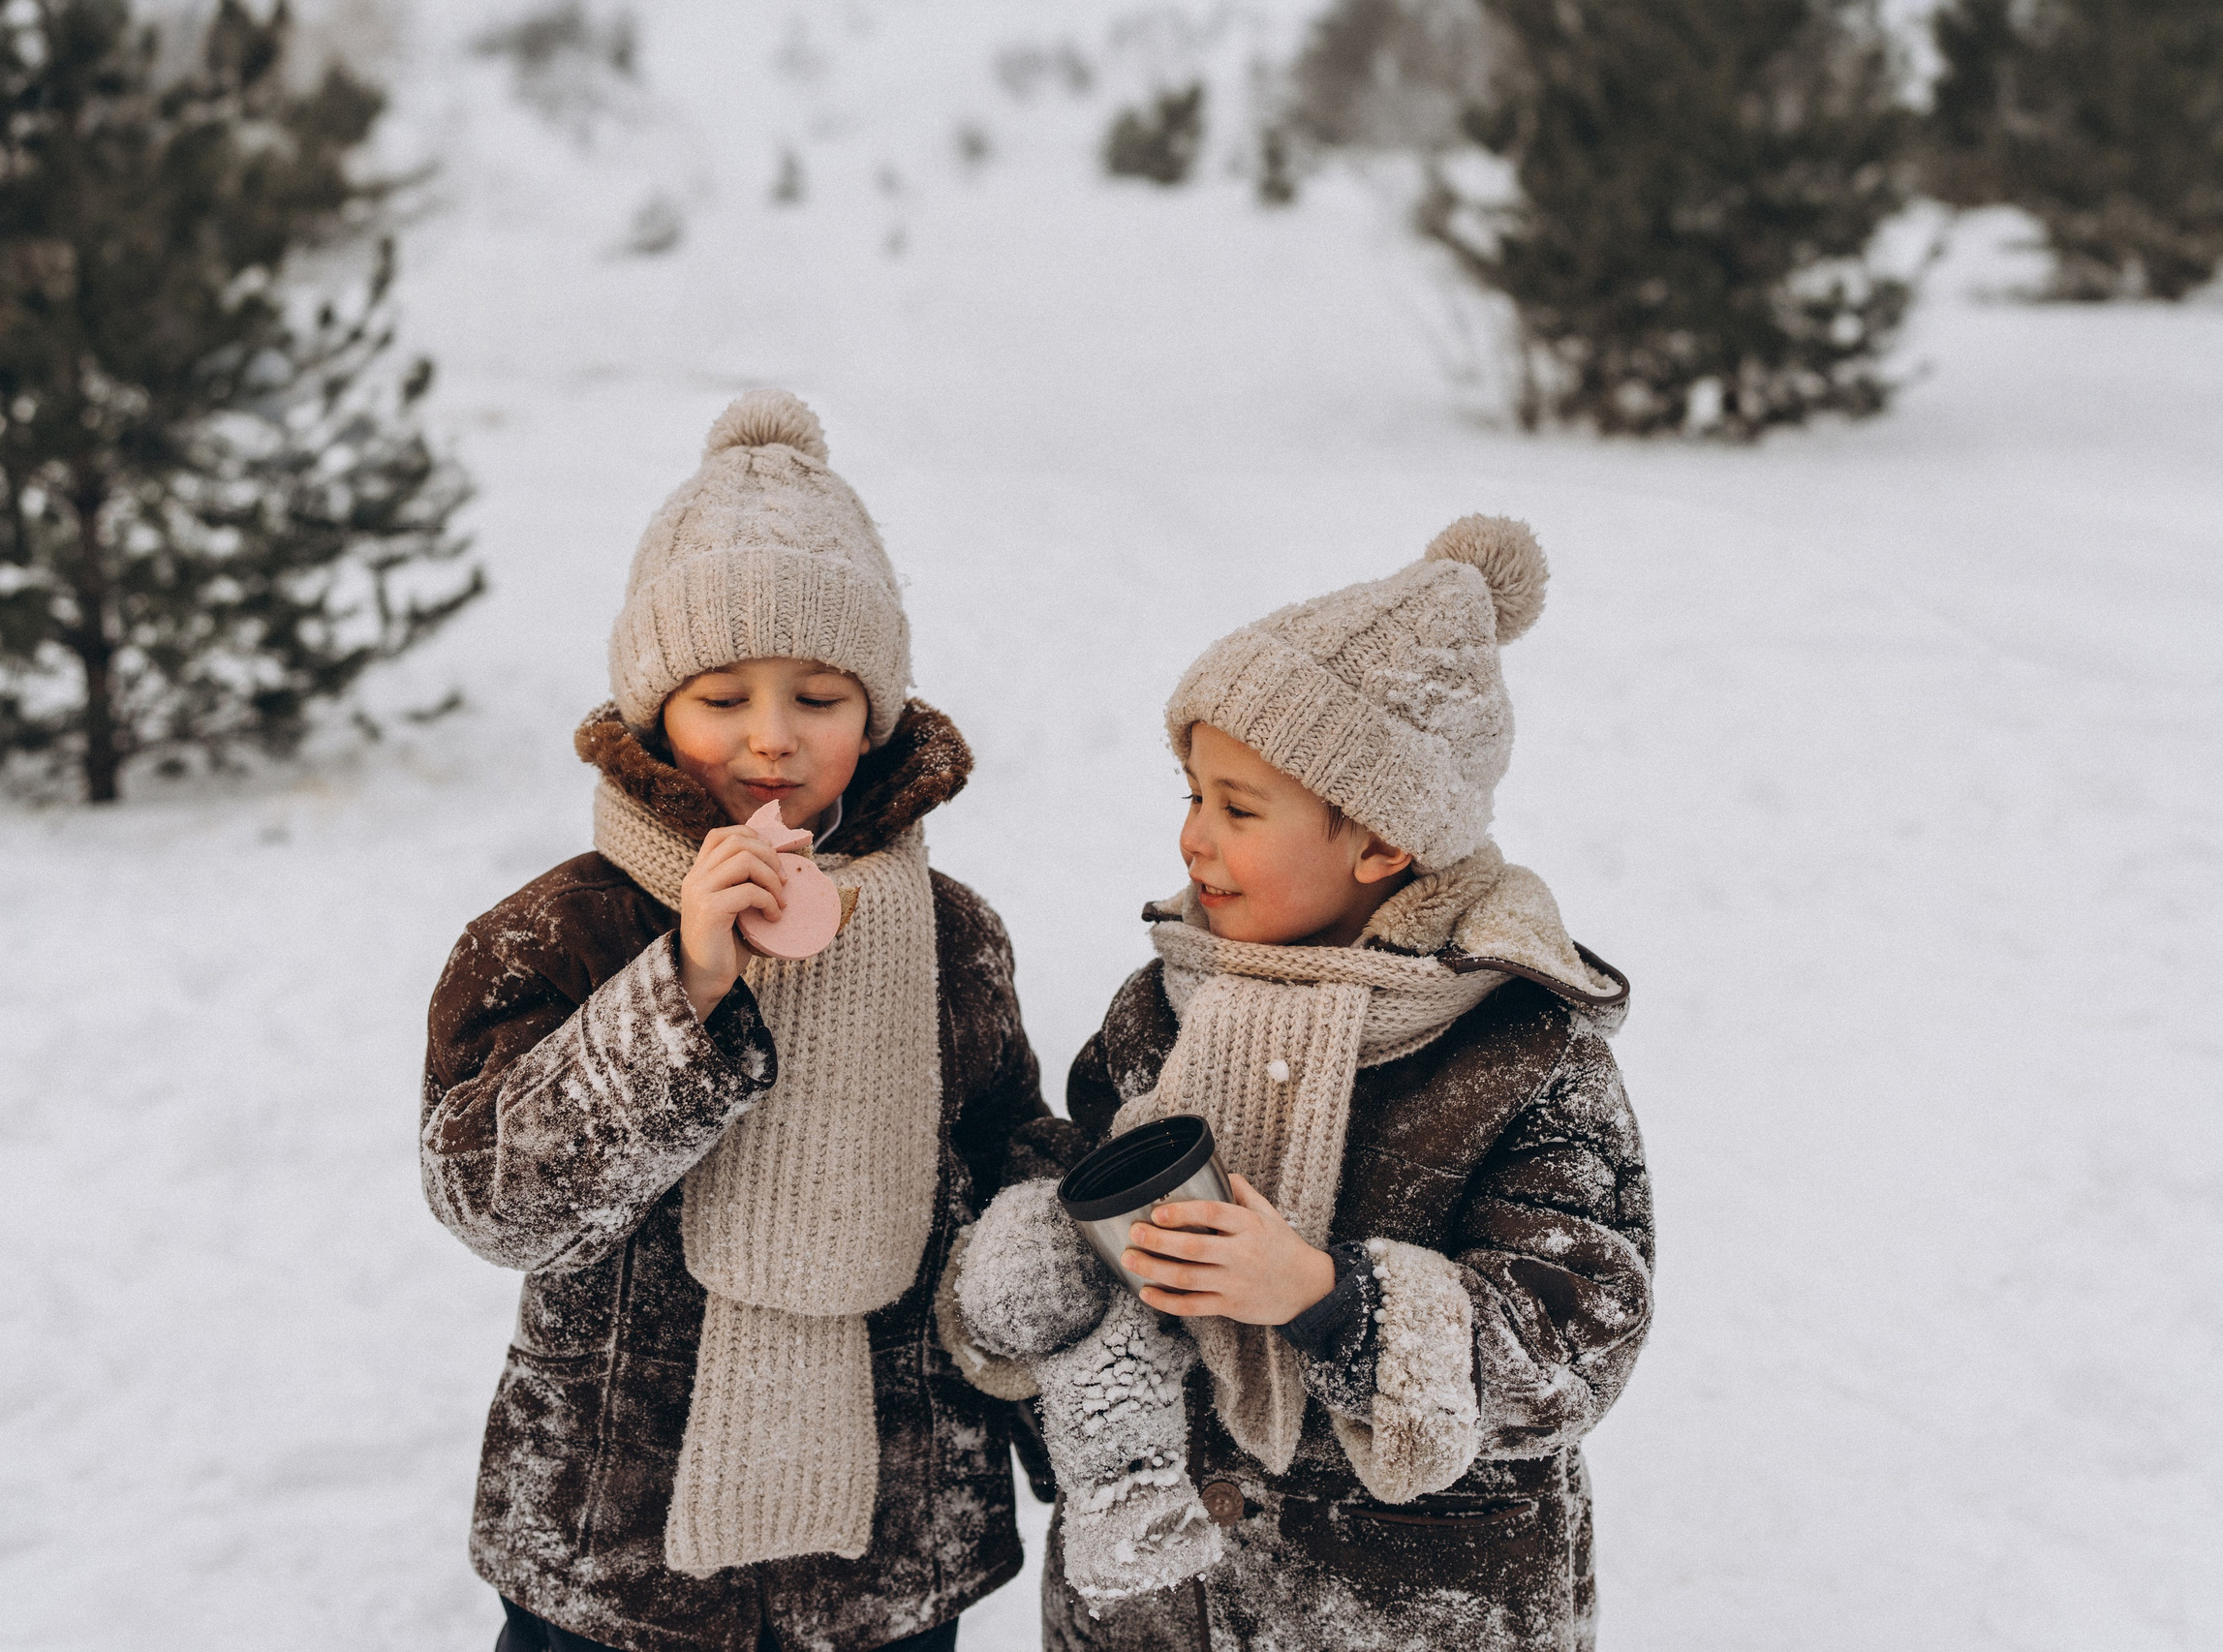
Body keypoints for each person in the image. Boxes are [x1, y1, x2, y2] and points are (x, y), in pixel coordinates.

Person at [940, 515, 1653, 1651]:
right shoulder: (1160, 1005)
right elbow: (1081, 1184)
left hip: (1398, 1606)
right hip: (1155, 1607)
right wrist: (1037, 1248)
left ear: (1379, 842)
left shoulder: (1519, 1053)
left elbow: (1574, 1344)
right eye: (1189, 790)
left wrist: (1329, 1297)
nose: (1191, 837)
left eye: (1237, 807)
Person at [420, 390, 1053, 1652]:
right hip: (619, 1550)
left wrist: (1067, 1242)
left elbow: (999, 1157)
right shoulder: (558, 930)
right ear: (656, 709)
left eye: (817, 694)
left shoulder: (953, 932)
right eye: (724, 696)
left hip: (886, 1544)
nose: (772, 739)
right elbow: (492, 1194)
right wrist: (681, 987)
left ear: (873, 714)